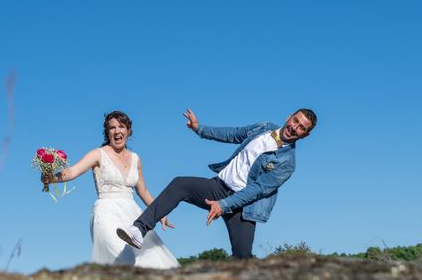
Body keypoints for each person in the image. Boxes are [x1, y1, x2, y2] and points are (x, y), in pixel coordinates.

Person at [117, 108, 317, 259]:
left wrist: (224, 205)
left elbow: (257, 190)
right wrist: (199, 129)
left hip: (243, 207)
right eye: (295, 120)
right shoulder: (263, 128)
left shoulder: (287, 163)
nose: (294, 127)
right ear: (289, 116)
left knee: (242, 258)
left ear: (305, 135)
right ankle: (139, 230)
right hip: (218, 188)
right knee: (180, 184)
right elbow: (233, 134)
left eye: (301, 128)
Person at [43, 110, 179, 269]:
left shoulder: (136, 159)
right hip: (106, 214)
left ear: (128, 130)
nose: (117, 131)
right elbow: (73, 171)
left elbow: (144, 192)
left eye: (121, 127)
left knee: (152, 259)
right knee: (124, 260)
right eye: (112, 128)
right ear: (107, 132)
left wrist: (160, 211)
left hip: (133, 215)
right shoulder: (98, 154)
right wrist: (51, 178)